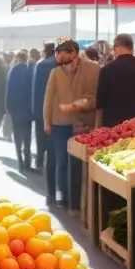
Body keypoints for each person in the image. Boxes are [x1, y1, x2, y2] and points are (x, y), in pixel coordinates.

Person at [43, 39, 98, 212]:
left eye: (63, 52)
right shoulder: (55, 72)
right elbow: (48, 98)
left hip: (81, 123)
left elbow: (94, 97)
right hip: (59, 123)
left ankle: (77, 200)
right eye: (57, 52)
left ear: (74, 53)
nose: (59, 55)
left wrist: (77, 106)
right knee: (61, 162)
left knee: (76, 164)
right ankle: (62, 197)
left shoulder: (91, 69)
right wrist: (46, 121)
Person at [96, 34, 135, 129]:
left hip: (112, 126)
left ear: (115, 48)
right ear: (132, 48)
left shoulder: (106, 70)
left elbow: (100, 102)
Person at [5, 49, 34, 172]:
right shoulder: (31, 69)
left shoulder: (13, 70)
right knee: (27, 136)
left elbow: (9, 90)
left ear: (17, 58)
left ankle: (20, 161)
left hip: (16, 108)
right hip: (27, 108)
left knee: (17, 136)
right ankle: (28, 161)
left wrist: (8, 107)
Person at [32, 42, 57, 173]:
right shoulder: (61, 64)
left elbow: (36, 90)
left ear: (46, 51)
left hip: (42, 107)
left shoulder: (41, 65)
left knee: (41, 137)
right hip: (58, 108)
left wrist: (35, 111)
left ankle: (40, 162)